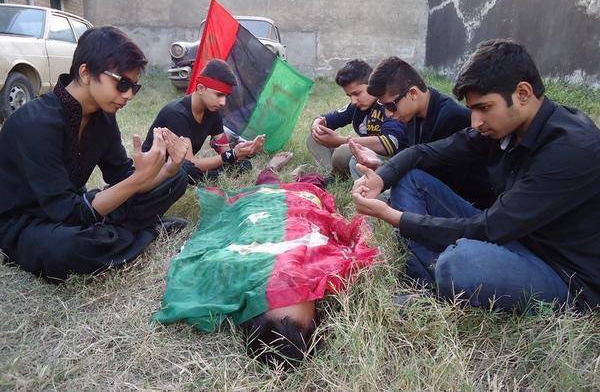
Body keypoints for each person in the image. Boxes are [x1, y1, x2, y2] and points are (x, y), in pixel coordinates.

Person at [352, 39, 600, 312]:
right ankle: (427, 279)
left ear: (523, 93)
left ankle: (441, 274)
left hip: (561, 272)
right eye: (472, 109)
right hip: (513, 237)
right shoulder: (505, 128)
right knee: (410, 180)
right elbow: (422, 153)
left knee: (459, 263)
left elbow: (489, 227)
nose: (475, 122)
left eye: (484, 107)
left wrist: (395, 217)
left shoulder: (570, 149)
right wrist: (381, 178)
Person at [154, 152, 379, 368]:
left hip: (260, 209)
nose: (287, 276)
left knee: (266, 185)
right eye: (298, 288)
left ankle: (272, 168)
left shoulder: (230, 272)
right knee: (313, 184)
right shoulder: (332, 269)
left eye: (278, 293)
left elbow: (190, 277)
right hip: (302, 206)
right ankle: (295, 177)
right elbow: (361, 239)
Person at [0, 26, 190, 282]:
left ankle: (118, 234)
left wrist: (167, 170)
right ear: (86, 72)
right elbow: (67, 212)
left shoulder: (103, 117)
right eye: (122, 83)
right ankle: (144, 230)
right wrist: (137, 180)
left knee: (177, 179)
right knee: (71, 247)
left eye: (134, 87)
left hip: (76, 209)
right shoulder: (34, 123)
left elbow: (122, 177)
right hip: (27, 223)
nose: (128, 95)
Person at [349, 56, 494, 209]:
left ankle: (392, 209)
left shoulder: (452, 117)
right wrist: (379, 166)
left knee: (407, 180)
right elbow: (410, 157)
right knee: (357, 164)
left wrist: (385, 173)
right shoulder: (412, 114)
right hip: (427, 186)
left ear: (413, 93)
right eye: (383, 106)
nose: (388, 114)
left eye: (391, 106)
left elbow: (432, 173)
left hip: (465, 202)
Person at [143, 59, 263, 184]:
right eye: (219, 95)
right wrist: (232, 155)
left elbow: (226, 153)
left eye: (225, 96)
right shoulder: (177, 114)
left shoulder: (212, 112)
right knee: (188, 171)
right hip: (156, 171)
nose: (223, 102)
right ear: (200, 88)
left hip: (182, 167)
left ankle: (214, 175)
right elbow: (188, 164)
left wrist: (245, 152)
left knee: (243, 165)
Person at [306, 59, 406, 179]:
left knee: (344, 153)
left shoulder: (388, 104)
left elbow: (389, 144)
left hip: (390, 160)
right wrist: (317, 124)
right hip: (362, 153)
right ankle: (332, 176)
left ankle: (365, 183)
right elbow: (326, 119)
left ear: (372, 84)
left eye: (357, 93)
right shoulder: (357, 106)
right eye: (350, 96)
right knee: (314, 138)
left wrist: (341, 141)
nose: (353, 101)